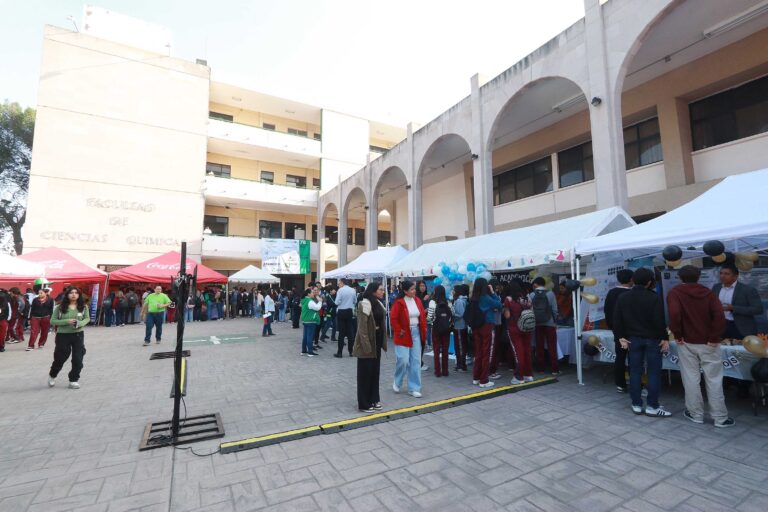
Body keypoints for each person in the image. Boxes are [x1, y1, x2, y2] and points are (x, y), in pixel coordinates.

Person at [668, 265, 733, 428]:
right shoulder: (709, 293)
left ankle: (696, 414)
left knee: (690, 378)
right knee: (714, 379)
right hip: (709, 343)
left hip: (687, 342)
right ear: (698, 277)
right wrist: (714, 337)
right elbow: (719, 316)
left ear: (680, 277)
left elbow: (674, 314)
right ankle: (720, 417)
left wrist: (677, 334)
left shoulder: (675, 293)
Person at [613, 267, 671, 417]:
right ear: (649, 282)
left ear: (633, 280)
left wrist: (620, 336)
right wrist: (665, 337)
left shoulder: (624, 297)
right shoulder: (654, 297)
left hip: (632, 339)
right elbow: (659, 321)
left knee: (634, 371)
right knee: (653, 372)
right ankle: (652, 405)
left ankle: (636, 404)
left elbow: (617, 319)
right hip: (652, 339)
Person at [354, 282, 388, 412]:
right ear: (373, 291)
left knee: (375, 372)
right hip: (367, 343)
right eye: (380, 290)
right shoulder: (364, 304)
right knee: (365, 373)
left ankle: (374, 399)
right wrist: (367, 346)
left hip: (377, 341)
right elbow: (362, 329)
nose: (382, 292)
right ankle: (363, 403)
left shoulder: (378, 303)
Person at [48, 286, 90, 389]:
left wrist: (80, 323)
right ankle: (52, 374)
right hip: (63, 335)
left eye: (76, 293)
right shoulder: (60, 307)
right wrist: (66, 321)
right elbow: (52, 321)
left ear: (79, 295)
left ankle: (73, 380)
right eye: (71, 293)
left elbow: (87, 318)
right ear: (67, 295)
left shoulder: (83, 307)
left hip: (78, 335)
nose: (74, 294)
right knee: (60, 358)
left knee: (78, 359)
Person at [390, 281, 426, 398]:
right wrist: (399, 330)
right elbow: (393, 318)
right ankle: (397, 380)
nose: (414, 291)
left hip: (416, 332)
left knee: (416, 361)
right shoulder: (399, 302)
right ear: (405, 291)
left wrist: (424, 330)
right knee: (403, 360)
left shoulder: (418, 301)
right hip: (403, 333)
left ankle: (414, 388)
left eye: (414, 289)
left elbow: (422, 317)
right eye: (411, 289)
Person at [713, 264, 764, 340]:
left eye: (727, 274)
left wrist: (733, 308)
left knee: (740, 351)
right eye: (721, 273)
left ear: (735, 276)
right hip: (721, 326)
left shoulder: (748, 290)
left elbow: (758, 309)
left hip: (741, 328)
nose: (722, 276)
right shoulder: (716, 287)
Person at [604, 269, 634, 393]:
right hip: (632, 331)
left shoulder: (611, 293)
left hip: (617, 331)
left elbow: (607, 311)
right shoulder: (631, 294)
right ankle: (636, 384)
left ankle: (620, 384)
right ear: (631, 279)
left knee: (620, 357)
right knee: (634, 359)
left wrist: (613, 327)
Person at [471, 277, 502, 388]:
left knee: (478, 352)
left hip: (476, 327)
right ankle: (484, 380)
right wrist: (493, 292)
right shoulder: (486, 298)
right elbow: (499, 304)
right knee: (486, 352)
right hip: (487, 325)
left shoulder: (473, 298)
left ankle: (476, 377)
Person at [504, 280, 534, 384]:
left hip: (514, 328)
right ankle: (528, 374)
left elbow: (507, 316)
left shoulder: (508, 299)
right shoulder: (527, 298)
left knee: (518, 352)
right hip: (527, 327)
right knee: (527, 351)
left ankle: (518, 376)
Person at [529, 277, 560, 376]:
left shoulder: (532, 294)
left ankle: (540, 368)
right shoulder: (550, 294)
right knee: (552, 346)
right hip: (550, 323)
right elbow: (555, 309)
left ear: (536, 284)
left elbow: (531, 310)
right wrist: (554, 320)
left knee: (539, 346)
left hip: (537, 324)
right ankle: (554, 369)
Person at [426, 285, 453, 378]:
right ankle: (445, 371)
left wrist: (431, 322)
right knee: (445, 350)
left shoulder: (432, 302)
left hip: (436, 329)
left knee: (436, 351)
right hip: (446, 330)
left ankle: (438, 371)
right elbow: (452, 315)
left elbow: (429, 318)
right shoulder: (448, 302)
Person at [334, 278, 357, 358]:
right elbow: (355, 301)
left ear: (342, 282)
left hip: (341, 311)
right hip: (349, 311)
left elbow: (336, 302)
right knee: (350, 332)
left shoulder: (340, 290)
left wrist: (341, 302)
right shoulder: (352, 290)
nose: (338, 284)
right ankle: (351, 351)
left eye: (339, 283)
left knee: (341, 333)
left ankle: (339, 352)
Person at [300, 287, 321, 356]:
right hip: (310, 320)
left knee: (305, 336)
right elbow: (317, 308)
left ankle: (304, 350)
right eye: (312, 292)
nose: (313, 293)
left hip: (306, 320)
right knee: (310, 336)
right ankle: (310, 351)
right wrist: (320, 301)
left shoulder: (304, 300)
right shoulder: (310, 301)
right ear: (308, 294)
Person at [452, 284, 469, 372]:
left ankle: (461, 365)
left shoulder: (459, 301)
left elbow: (460, 314)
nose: (452, 292)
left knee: (460, 346)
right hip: (462, 325)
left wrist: (452, 313)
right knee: (462, 345)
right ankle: (461, 364)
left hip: (459, 325)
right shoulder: (464, 299)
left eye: (454, 290)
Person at [416, 280, 431, 371]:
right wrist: (423, 301)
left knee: (422, 343)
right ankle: (419, 363)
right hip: (418, 323)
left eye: (424, 285)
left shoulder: (427, 295)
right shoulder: (417, 297)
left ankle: (419, 362)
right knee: (419, 343)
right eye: (421, 285)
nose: (422, 287)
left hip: (426, 321)